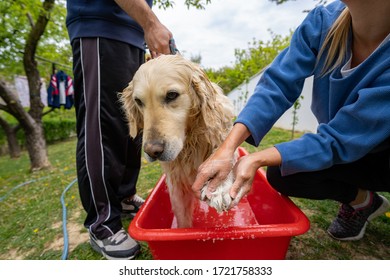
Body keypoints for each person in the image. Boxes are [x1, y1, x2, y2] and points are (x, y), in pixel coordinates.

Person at [192, 0, 390, 242]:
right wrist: (227, 148)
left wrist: (255, 159)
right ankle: (363, 202)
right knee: (284, 171)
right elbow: (278, 85)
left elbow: (341, 139)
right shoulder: (323, 22)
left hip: (384, 158)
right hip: (350, 151)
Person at [66, 0, 173, 259]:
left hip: (133, 35)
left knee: (131, 122)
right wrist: (151, 22)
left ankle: (125, 196)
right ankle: (101, 222)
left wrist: (145, 27)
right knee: (102, 126)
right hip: (99, 27)